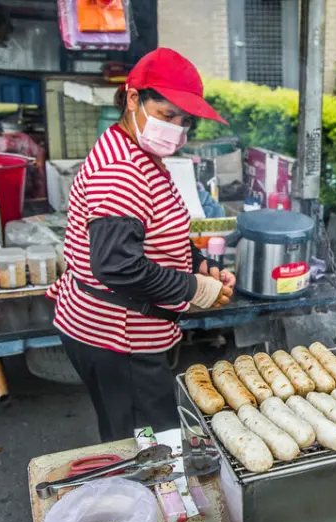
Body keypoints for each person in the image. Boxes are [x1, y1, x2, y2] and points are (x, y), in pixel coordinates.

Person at [47, 48, 236, 441]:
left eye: (185, 122)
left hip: (127, 330)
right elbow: (116, 265)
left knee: (140, 432)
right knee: (147, 444)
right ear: (134, 98)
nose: (177, 129)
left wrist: (197, 262)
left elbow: (151, 233)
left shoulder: (140, 152)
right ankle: (145, 500)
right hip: (117, 335)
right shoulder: (120, 170)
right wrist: (193, 289)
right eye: (168, 115)